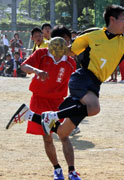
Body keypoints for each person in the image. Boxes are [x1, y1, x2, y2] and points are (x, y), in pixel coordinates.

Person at [7, 5, 124, 177]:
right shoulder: (92, 36)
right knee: (94, 108)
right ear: (112, 19)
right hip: (82, 78)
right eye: (123, 19)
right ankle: (52, 117)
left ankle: (31, 116)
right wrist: (55, 47)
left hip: (95, 84)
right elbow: (70, 52)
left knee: (63, 133)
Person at [6, 26, 81, 180]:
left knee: (63, 135)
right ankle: (57, 169)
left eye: (67, 40)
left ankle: (72, 171)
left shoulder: (71, 63)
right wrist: (37, 71)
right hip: (39, 99)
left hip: (58, 102)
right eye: (62, 40)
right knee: (47, 137)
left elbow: (74, 84)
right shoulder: (41, 54)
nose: (65, 44)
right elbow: (24, 66)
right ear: (53, 41)